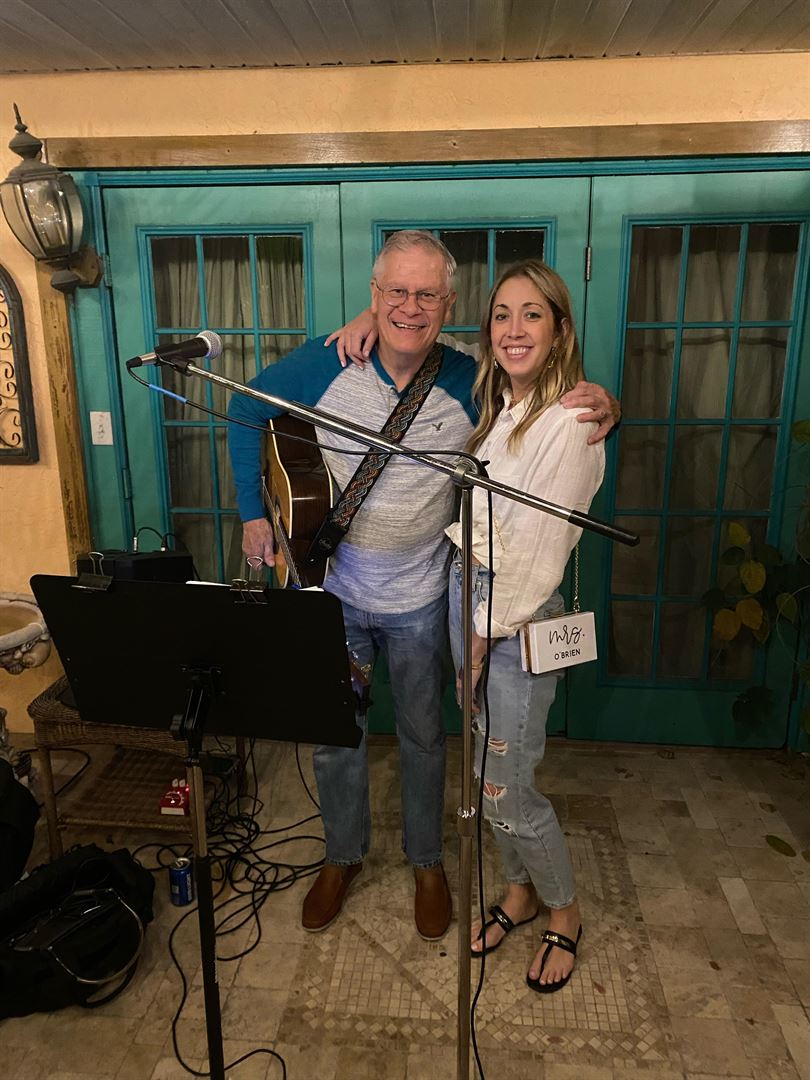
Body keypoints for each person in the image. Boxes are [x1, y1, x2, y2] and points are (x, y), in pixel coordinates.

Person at [227, 231, 617, 942]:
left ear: (450, 304)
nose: (410, 307)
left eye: (426, 295)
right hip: (335, 596)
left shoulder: (470, 377)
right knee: (335, 736)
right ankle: (342, 856)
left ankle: (427, 861)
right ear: (374, 296)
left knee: (424, 735)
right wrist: (255, 514)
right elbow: (247, 408)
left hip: (425, 600)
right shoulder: (325, 362)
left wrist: (602, 403)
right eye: (396, 293)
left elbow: (541, 405)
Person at [444, 259, 604, 993]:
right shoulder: (503, 410)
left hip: (512, 617)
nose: (514, 329)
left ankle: (564, 910)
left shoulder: (570, 423)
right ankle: (519, 893)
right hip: (471, 596)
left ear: (560, 330)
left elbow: (537, 555)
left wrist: (479, 640)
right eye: (502, 314)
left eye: (532, 314)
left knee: (506, 786)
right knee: (485, 769)